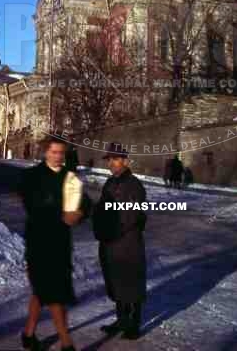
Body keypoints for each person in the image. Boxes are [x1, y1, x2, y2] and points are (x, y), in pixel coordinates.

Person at [20, 136, 84, 351]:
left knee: (41, 291)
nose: (58, 157)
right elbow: (34, 206)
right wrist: (62, 214)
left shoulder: (70, 178)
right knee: (55, 293)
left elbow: (86, 203)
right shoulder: (31, 177)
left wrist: (80, 213)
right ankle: (66, 343)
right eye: (54, 152)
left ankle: (28, 335)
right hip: (39, 244)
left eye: (61, 153)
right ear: (46, 152)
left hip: (61, 244)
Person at [92, 142, 147, 340]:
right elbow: (102, 209)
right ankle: (121, 320)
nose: (111, 164)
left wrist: (113, 232)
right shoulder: (110, 183)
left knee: (131, 283)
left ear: (124, 161)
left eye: (115, 159)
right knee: (116, 283)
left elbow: (132, 216)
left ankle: (134, 324)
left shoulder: (133, 185)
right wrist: (98, 225)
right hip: (110, 242)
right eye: (109, 160)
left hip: (127, 242)